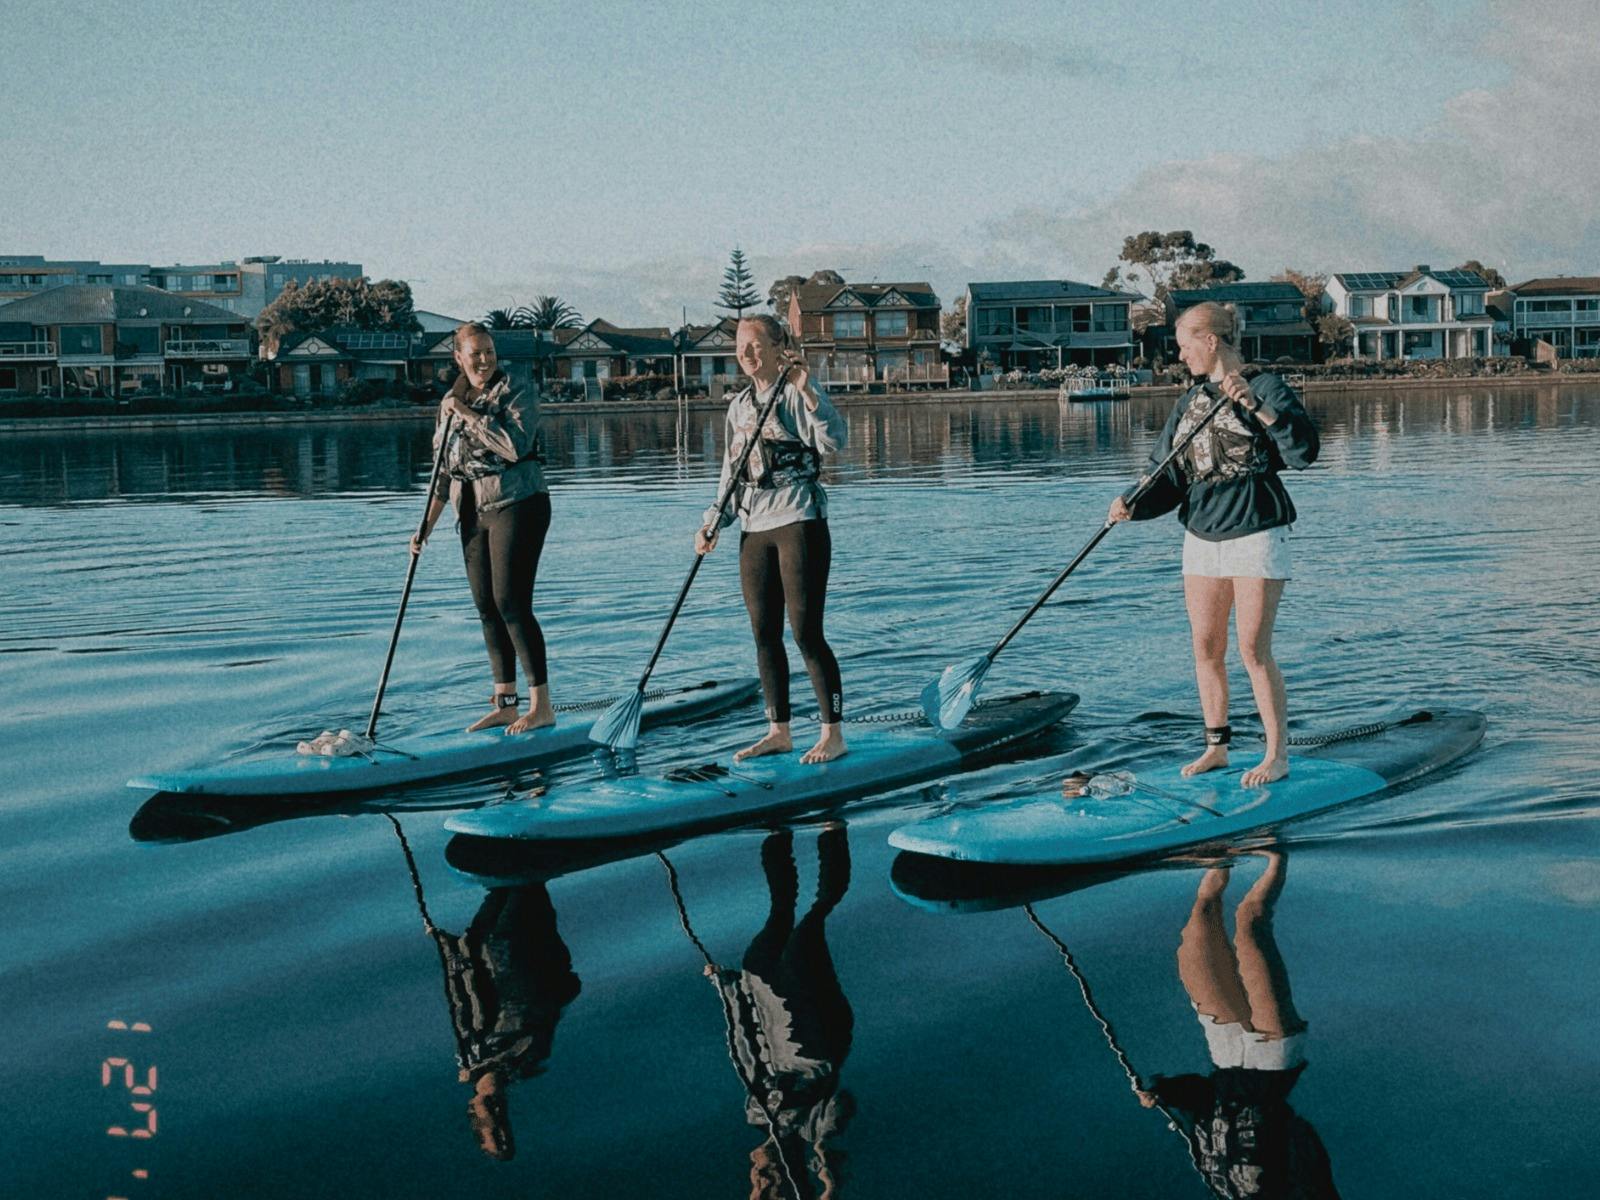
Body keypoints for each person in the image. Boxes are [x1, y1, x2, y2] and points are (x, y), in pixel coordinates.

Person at [1108, 302, 1318, 786]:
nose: (1181, 356)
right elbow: (1166, 475)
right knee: (1205, 646)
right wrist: (1132, 503)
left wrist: (1257, 406)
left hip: (1256, 530)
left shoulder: (1266, 386)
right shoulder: (1189, 402)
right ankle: (1216, 748)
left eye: (1185, 346)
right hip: (1202, 535)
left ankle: (1276, 755)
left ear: (1210, 340)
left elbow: (1304, 452)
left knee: (1252, 650)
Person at [696, 315, 849, 765]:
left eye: (755, 344)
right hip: (754, 528)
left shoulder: (796, 393)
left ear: (778, 347)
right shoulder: (739, 407)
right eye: (740, 346)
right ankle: (778, 731)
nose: (746, 353)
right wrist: (712, 521)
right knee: (764, 634)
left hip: (799, 520)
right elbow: (731, 473)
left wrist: (808, 389)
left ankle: (833, 733)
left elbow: (834, 441)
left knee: (806, 633)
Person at [411, 323, 554, 734]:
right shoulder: (448, 404)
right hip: (472, 512)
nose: (485, 360)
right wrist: (424, 528)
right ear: (459, 358)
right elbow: (443, 474)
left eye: (489, 352)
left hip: (519, 503)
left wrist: (469, 415)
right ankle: (506, 703)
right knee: (486, 606)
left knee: (511, 602)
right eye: (475, 354)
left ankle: (541, 706)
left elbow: (515, 446)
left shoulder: (516, 390)